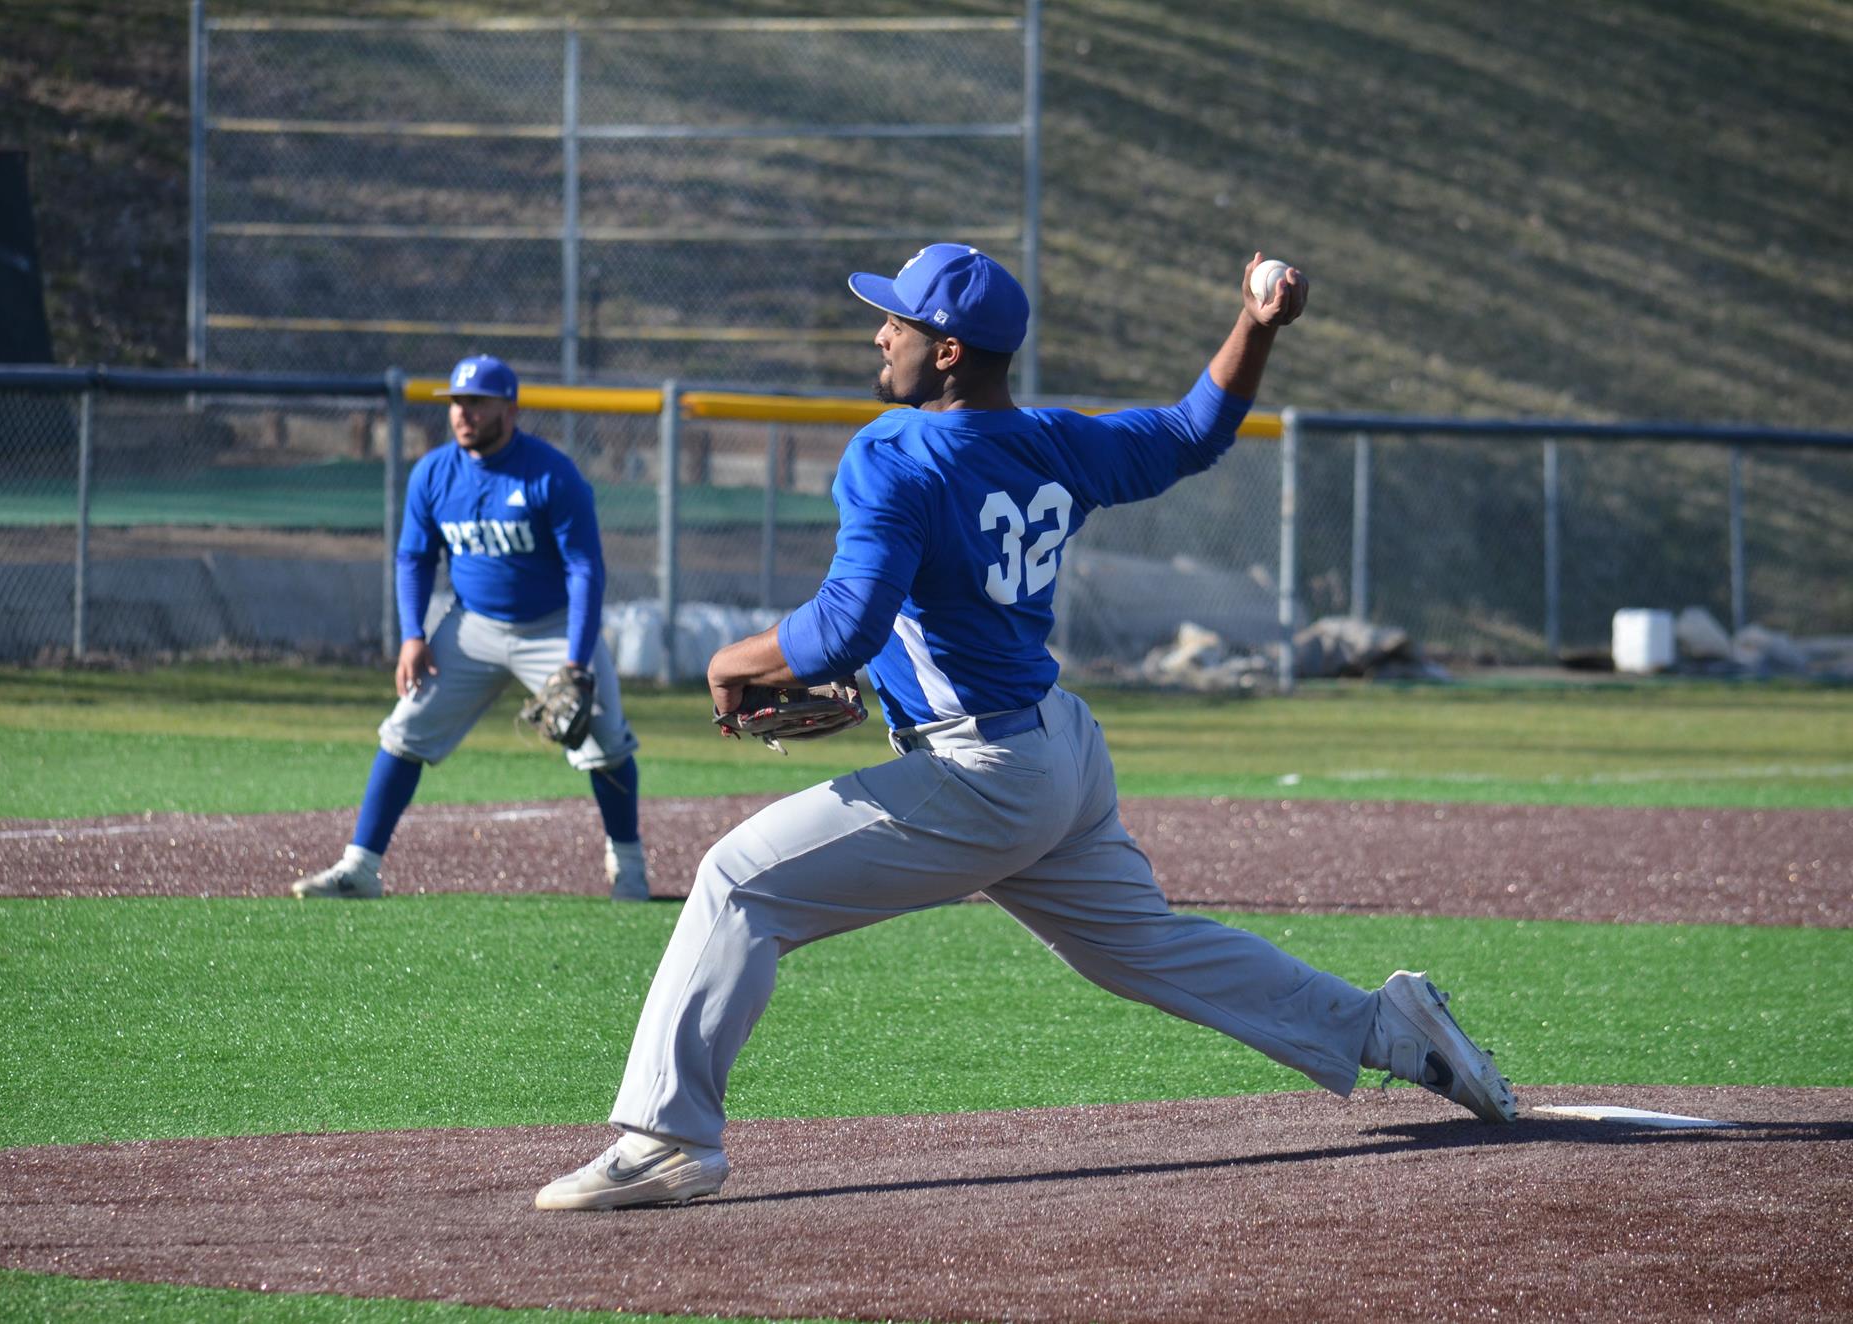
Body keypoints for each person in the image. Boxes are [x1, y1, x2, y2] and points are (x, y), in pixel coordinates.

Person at [535, 245, 1516, 1211]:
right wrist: (1252, 327)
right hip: (1059, 748)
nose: (881, 333)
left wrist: (731, 662)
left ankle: (665, 1138)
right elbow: (1192, 431)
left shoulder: (893, 450)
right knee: (1140, 948)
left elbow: (844, 629)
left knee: (736, 883)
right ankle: (1386, 1029)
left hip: (982, 771)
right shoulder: (1053, 440)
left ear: (949, 350)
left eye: (900, 321)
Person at [286, 354, 649, 902]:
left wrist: (576, 659)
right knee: (404, 729)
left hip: (552, 627)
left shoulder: (552, 473)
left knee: (605, 738)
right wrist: (413, 635)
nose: (463, 413)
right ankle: (360, 867)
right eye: (457, 402)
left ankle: (629, 867)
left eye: (477, 402)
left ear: (510, 407)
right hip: (472, 626)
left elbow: (584, 569)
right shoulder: (434, 472)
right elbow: (413, 558)